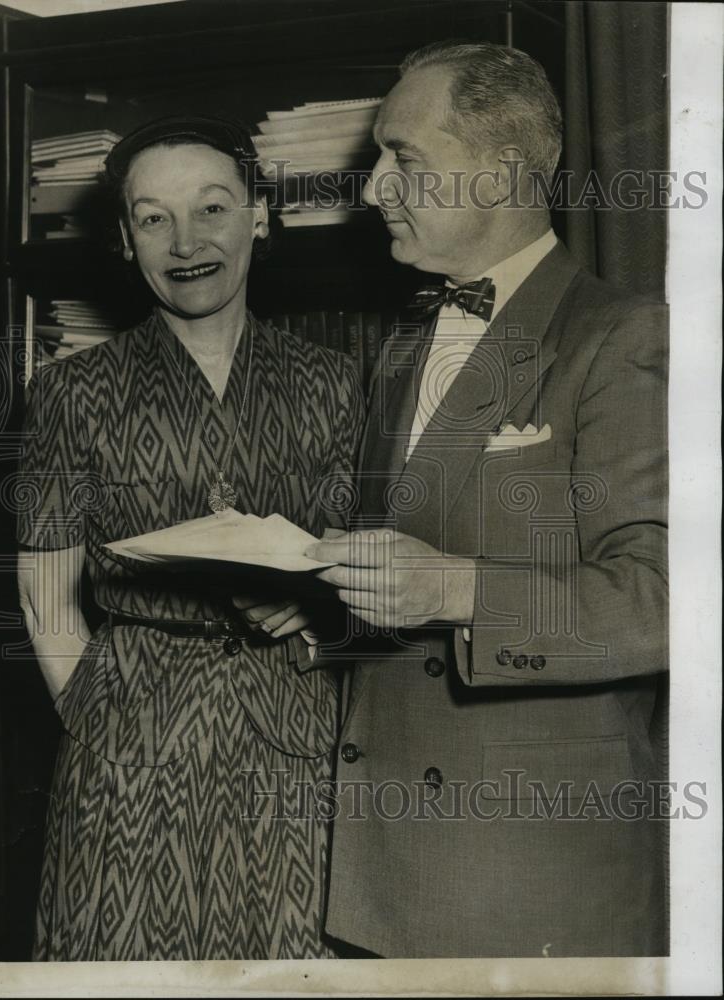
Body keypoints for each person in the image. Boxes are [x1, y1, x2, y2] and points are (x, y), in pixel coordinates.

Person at [307, 42, 668, 958]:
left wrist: (454, 590)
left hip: (526, 871)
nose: (376, 188)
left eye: (405, 160)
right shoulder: (407, 339)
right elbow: (412, 553)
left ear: (502, 172)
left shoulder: (622, 337)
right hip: (381, 870)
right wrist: (317, 593)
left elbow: (669, 603)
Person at [16, 115, 364, 961]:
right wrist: (100, 722)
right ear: (126, 242)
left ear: (260, 217)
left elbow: (359, 565)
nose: (186, 241)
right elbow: (46, 596)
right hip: (127, 746)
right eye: (153, 218)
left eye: (213, 208)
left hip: (292, 743)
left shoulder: (335, 382)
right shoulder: (71, 391)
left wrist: (318, 612)